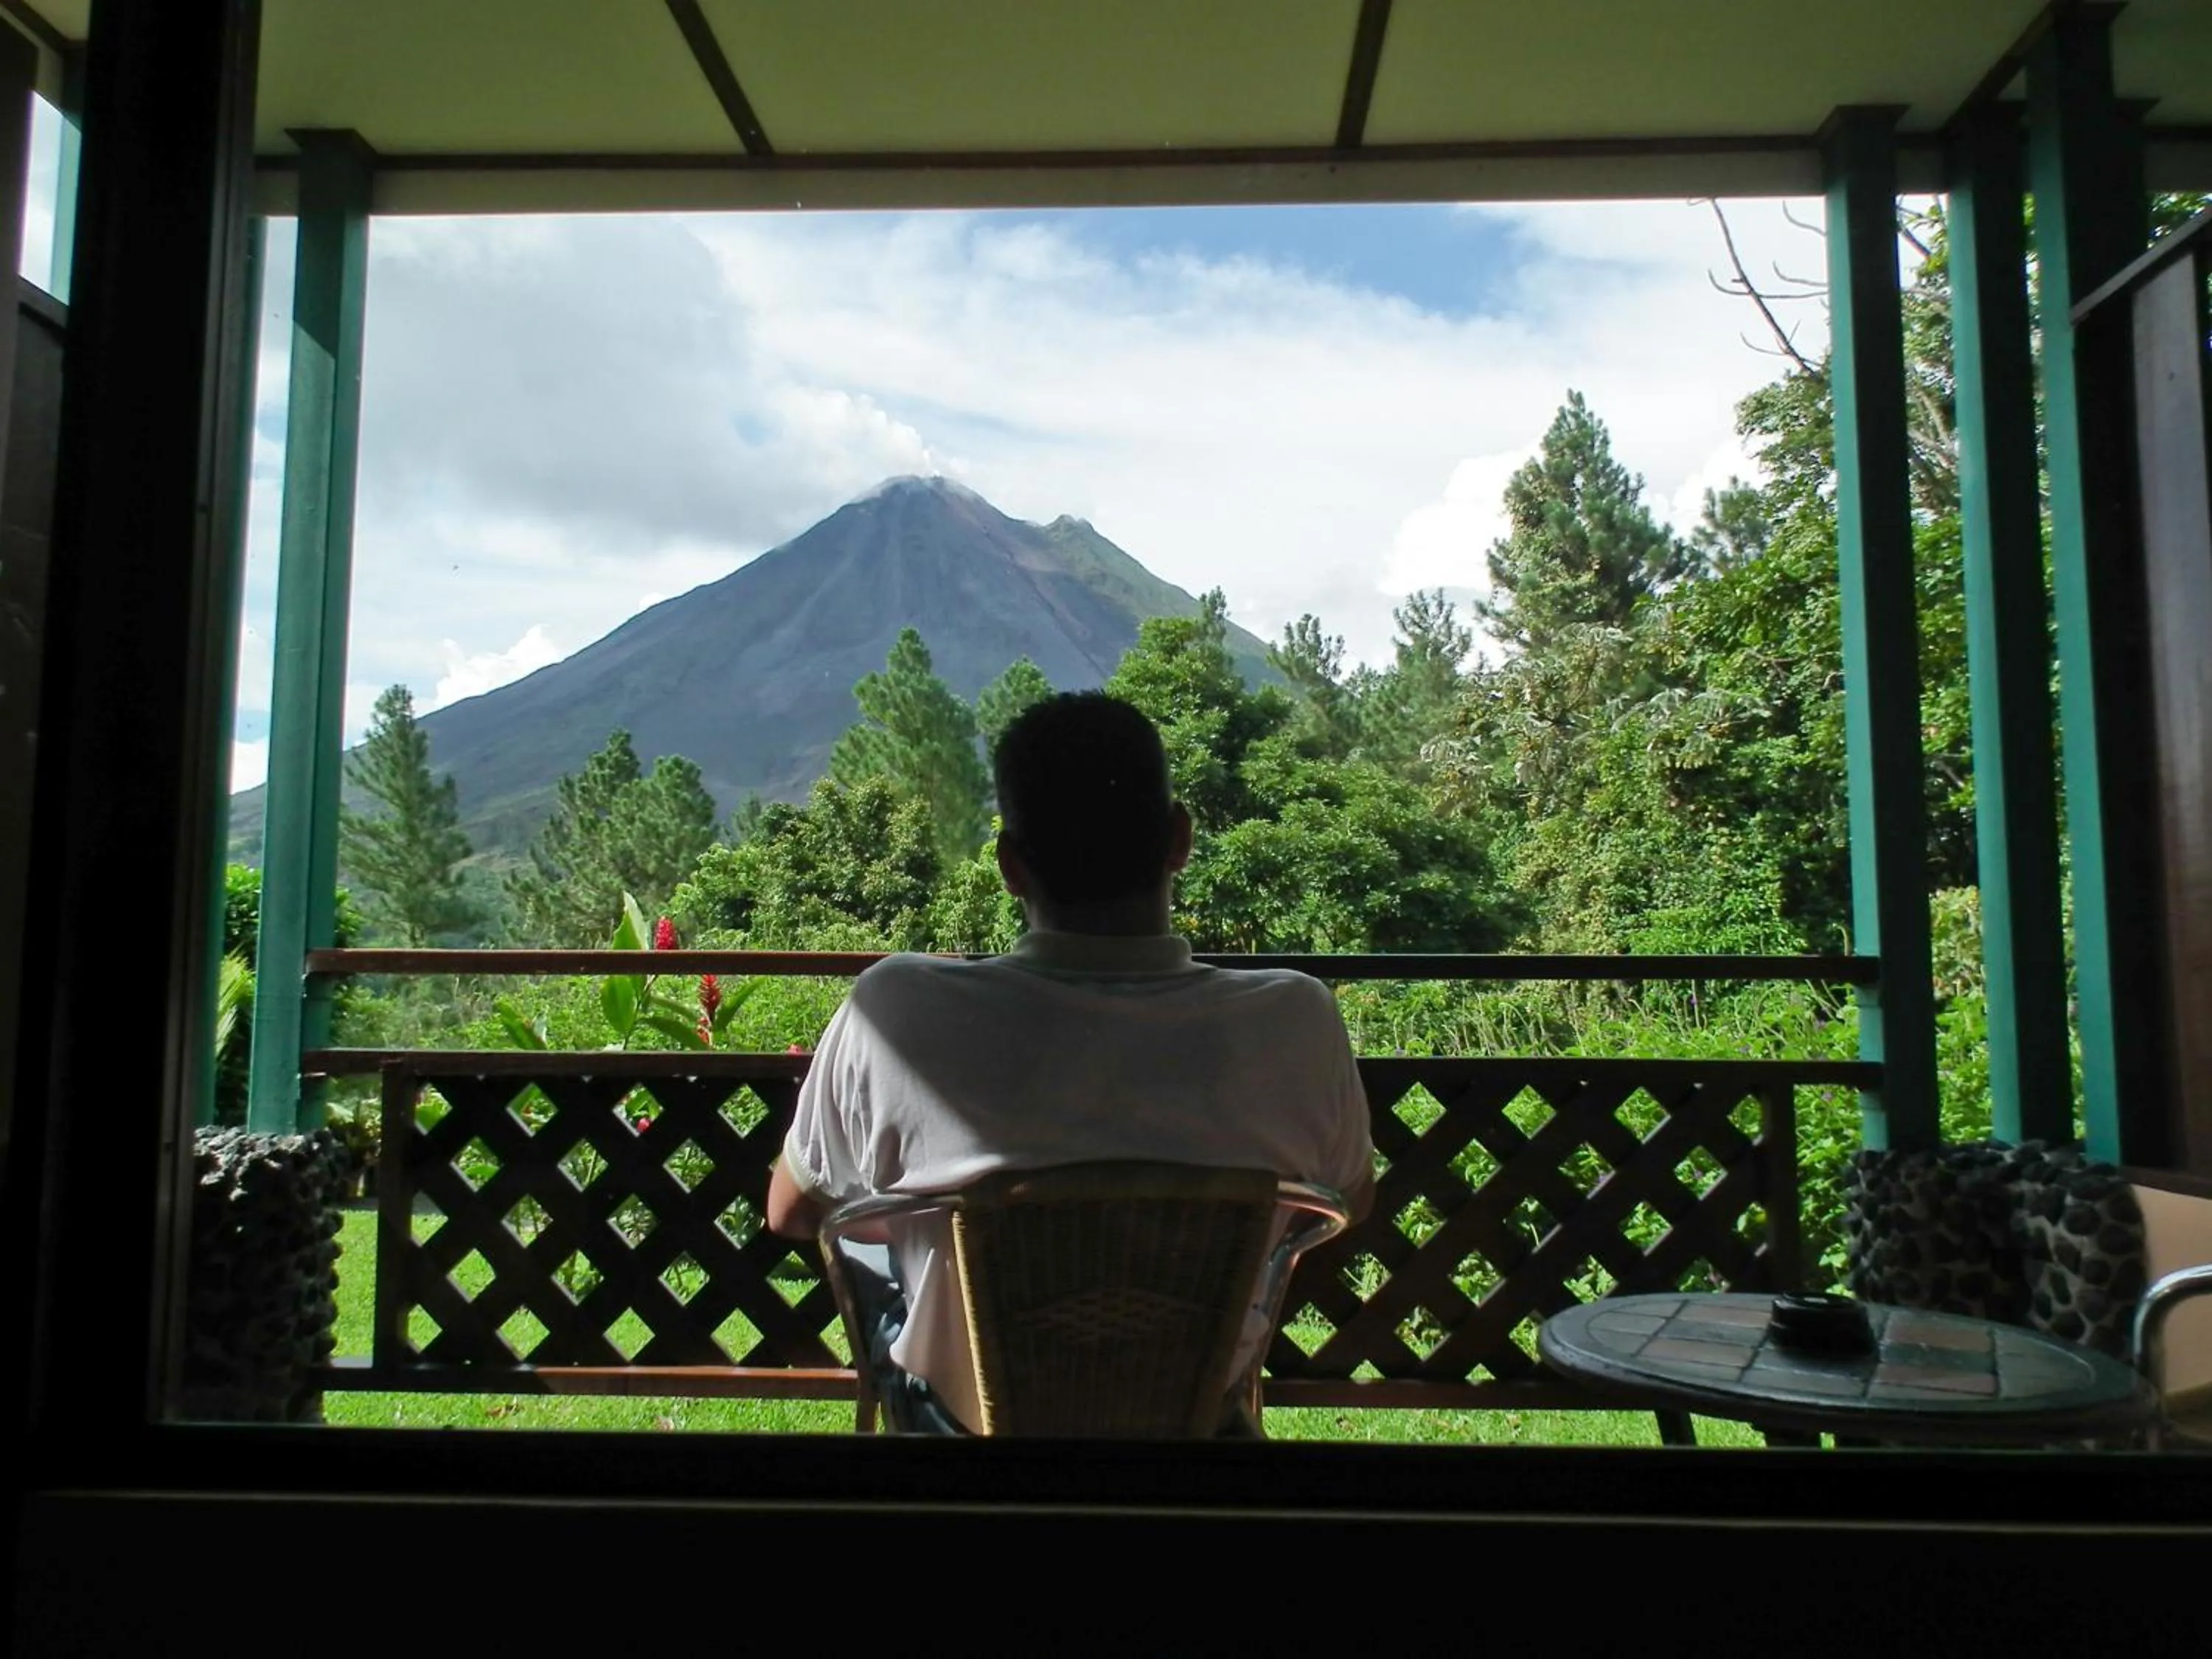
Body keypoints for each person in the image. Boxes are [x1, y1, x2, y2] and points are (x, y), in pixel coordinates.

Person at [766, 691, 1374, 1433]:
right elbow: (1350, 1203)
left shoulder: (894, 1007)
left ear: (1011, 867)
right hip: (1197, 1436)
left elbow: (790, 1211)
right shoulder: (1294, 1017)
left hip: (964, 1441)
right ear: (1179, 840)